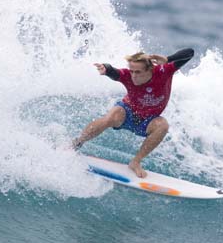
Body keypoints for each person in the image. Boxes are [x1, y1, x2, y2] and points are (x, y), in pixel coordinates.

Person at [72, 48, 194, 178]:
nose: (133, 75)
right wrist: (106, 68)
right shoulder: (127, 76)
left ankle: (135, 162)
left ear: (150, 70)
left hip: (148, 121)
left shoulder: (163, 71)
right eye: (132, 71)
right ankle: (77, 143)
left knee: (162, 125)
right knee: (112, 116)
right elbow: (114, 71)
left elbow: (190, 53)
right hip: (128, 112)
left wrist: (168, 59)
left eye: (138, 72)